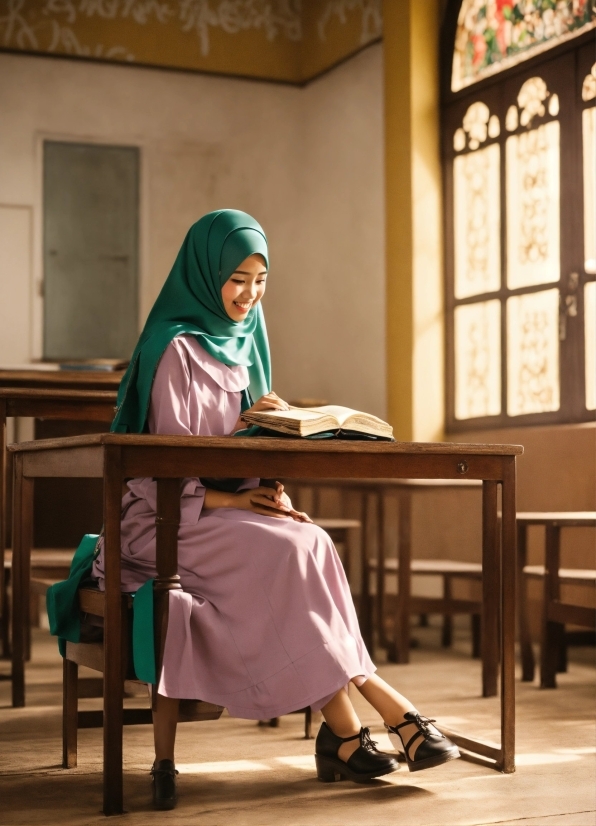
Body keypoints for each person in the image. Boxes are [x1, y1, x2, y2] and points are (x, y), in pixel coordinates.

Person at [92, 209, 459, 810]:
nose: (249, 294)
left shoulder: (249, 338)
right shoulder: (172, 348)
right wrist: (235, 495)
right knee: (285, 551)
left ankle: (344, 734)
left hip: (228, 511)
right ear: (206, 272)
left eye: (260, 281)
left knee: (310, 539)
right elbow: (162, 465)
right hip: (165, 518)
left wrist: (272, 453)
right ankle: (391, 711)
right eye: (237, 279)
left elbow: (244, 446)